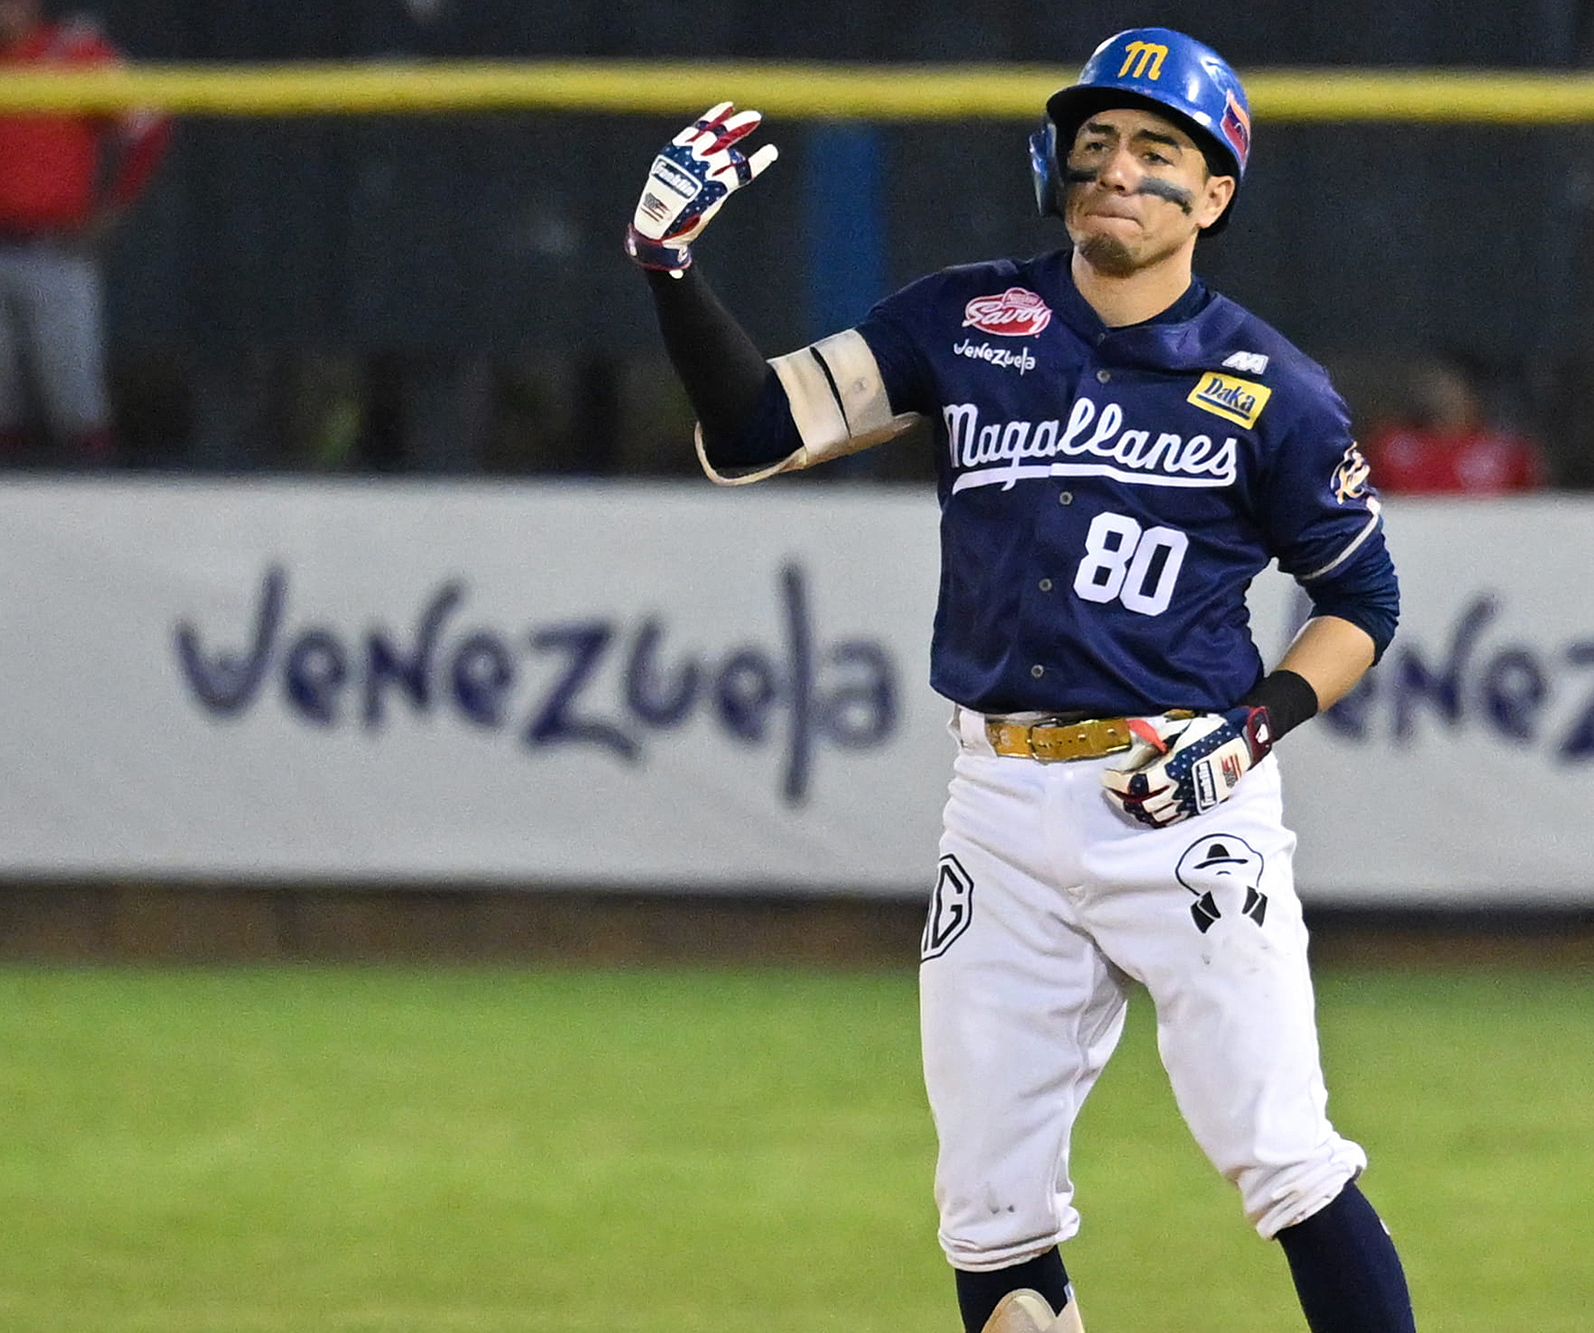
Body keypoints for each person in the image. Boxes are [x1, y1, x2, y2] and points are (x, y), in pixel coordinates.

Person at [626, 27, 1413, 1333]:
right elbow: (760, 428)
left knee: (1280, 1151)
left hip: (1182, 799)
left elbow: (1361, 601)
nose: (1117, 169)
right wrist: (668, 270)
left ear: (1214, 196)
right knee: (990, 1208)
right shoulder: (969, 320)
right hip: (996, 803)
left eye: (1157, 151)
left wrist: (1253, 729)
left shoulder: (1275, 388)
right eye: (1096, 143)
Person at [0, 0, 170, 466]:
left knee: (75, 399)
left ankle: (100, 508)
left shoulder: (77, 53)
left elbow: (149, 127)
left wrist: (113, 209)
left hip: (55, 248)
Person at [1362, 357, 1546, 494]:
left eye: (1451, 388)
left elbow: (1532, 511)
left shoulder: (1506, 452)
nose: (1442, 397)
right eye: (1435, 387)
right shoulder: (1392, 446)